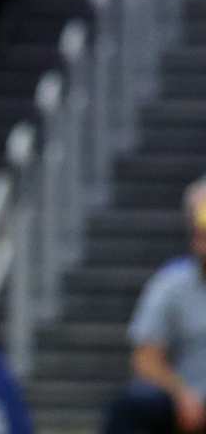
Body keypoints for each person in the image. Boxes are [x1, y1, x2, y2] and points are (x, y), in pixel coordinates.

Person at [101, 177, 206, 433]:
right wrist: (181, 394)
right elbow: (145, 359)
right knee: (133, 405)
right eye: (199, 233)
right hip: (189, 401)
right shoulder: (172, 284)